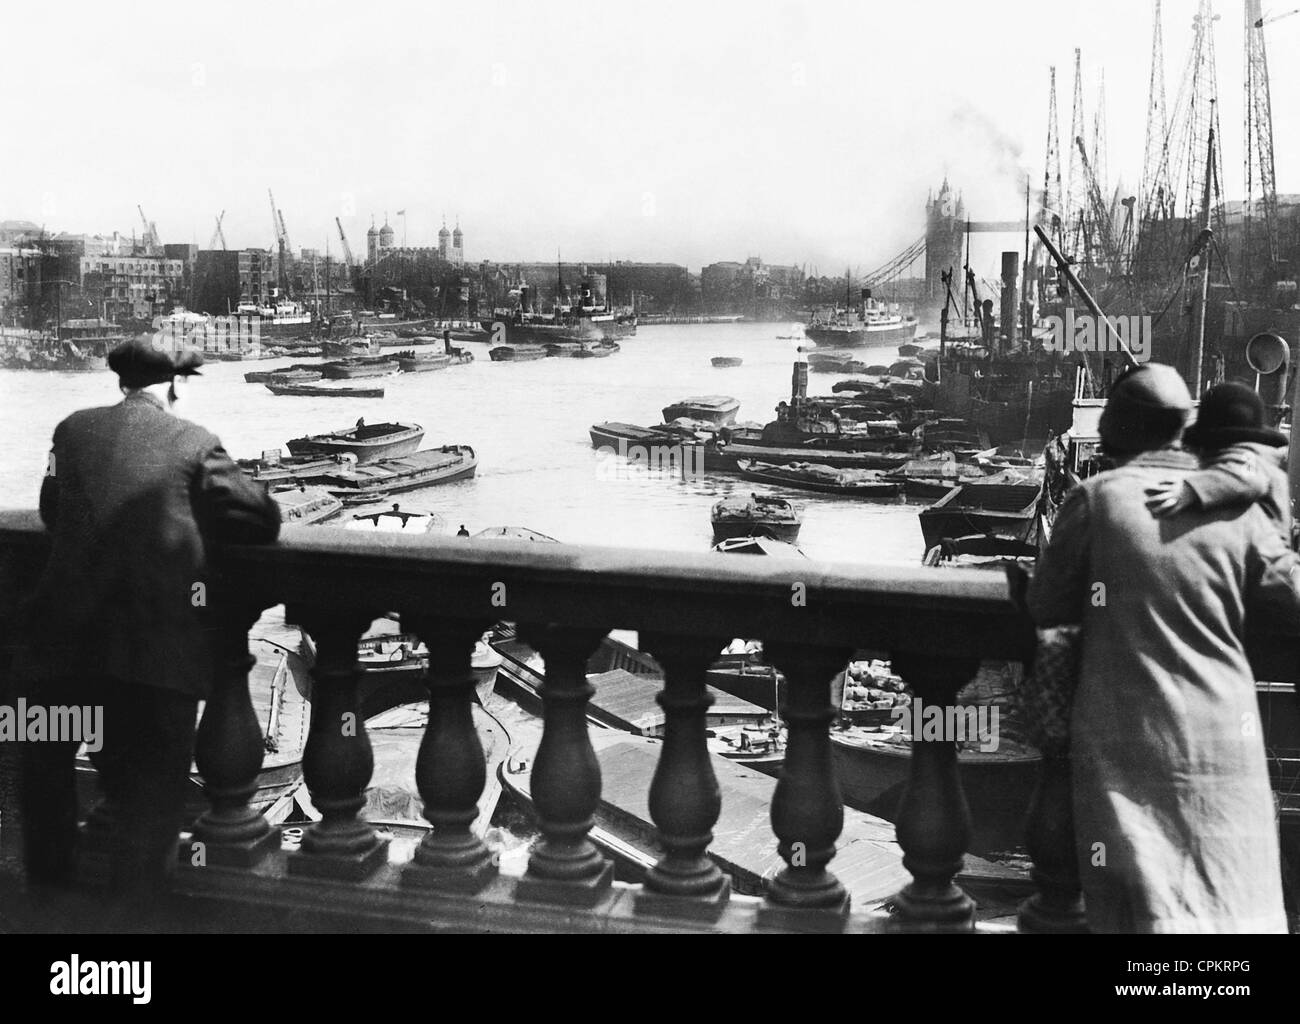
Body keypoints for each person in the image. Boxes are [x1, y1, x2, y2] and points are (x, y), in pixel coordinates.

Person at [16, 339, 281, 924]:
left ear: (121, 383)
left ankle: (45, 919)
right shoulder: (194, 440)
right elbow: (260, 519)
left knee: (47, 798)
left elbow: (50, 508)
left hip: (53, 656)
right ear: (174, 386)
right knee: (149, 808)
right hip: (151, 660)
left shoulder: (70, 431)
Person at [1027, 363, 1300, 934]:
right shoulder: (1238, 507)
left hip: (1129, 741)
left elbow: (1048, 604)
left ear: (1115, 426)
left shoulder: (1096, 500)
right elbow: (1288, 601)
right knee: (1230, 899)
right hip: (1227, 739)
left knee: (1139, 904)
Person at [1144, 381, 1292, 538]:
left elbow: (1244, 476)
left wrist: (1190, 489)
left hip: (1269, 555)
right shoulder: (1263, 461)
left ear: (1212, 444)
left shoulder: (1251, 461)